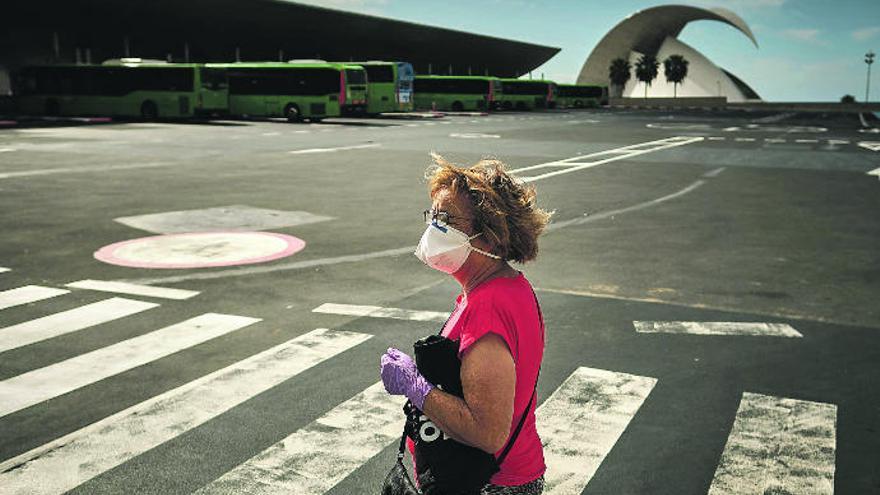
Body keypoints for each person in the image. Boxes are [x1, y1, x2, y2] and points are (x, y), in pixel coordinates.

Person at [381, 153, 551, 495]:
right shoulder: (506, 287)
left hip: (490, 484)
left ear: (488, 235)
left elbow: (487, 432)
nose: (433, 227)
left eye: (446, 218)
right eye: (433, 215)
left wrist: (417, 387)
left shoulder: (488, 307)